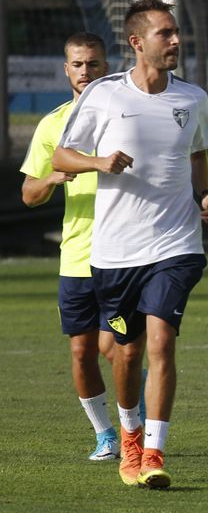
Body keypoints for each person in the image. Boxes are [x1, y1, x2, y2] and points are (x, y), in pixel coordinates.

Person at [53, 0, 208, 488]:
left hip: (176, 244)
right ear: (136, 42)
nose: (175, 41)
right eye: (165, 33)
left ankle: (154, 451)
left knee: (161, 342)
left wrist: (206, 197)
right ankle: (128, 437)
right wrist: (98, 162)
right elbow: (62, 157)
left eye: (176, 33)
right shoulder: (104, 94)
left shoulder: (192, 98)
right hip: (115, 252)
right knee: (125, 355)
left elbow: (198, 159)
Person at [18, 32, 119, 461]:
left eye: (93, 64)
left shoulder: (124, 115)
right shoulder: (52, 125)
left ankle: (139, 420)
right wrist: (51, 179)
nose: (85, 72)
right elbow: (28, 193)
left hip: (123, 253)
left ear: (105, 66)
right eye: (78, 64)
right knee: (81, 352)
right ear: (67, 69)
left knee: (115, 347)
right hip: (77, 256)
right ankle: (106, 435)